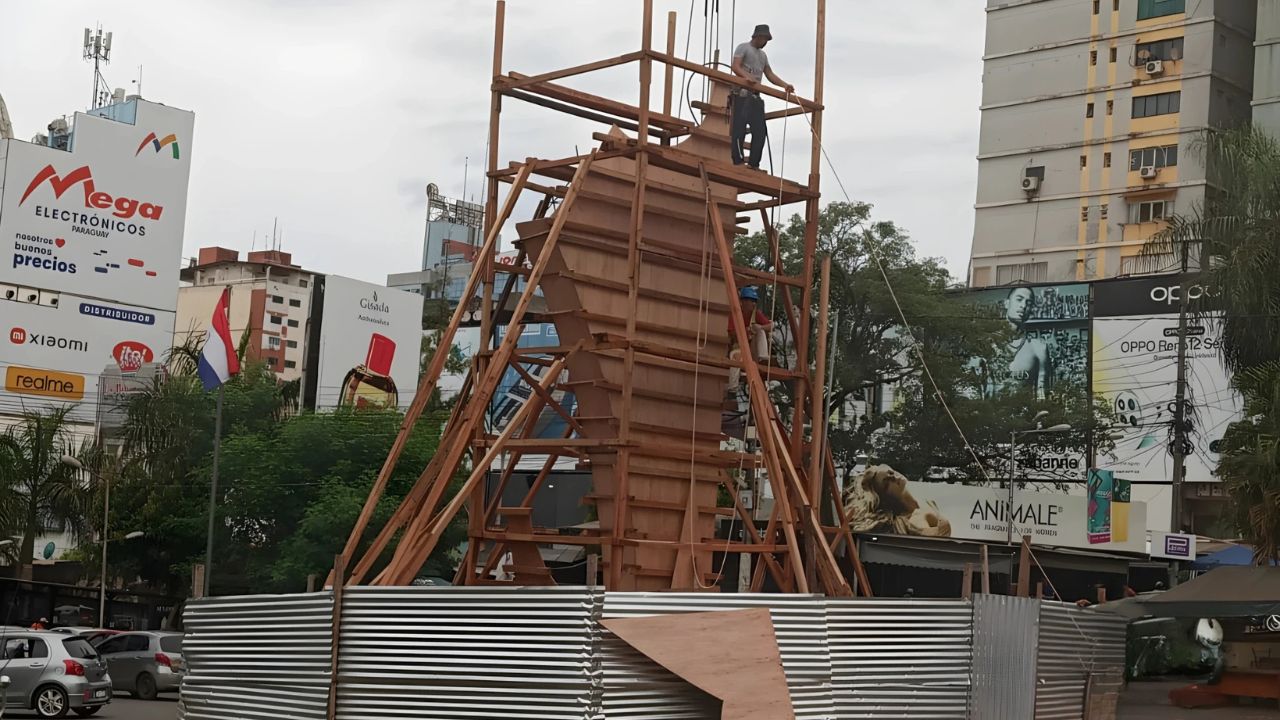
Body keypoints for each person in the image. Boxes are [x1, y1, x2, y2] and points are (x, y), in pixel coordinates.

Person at [729, 24, 794, 169]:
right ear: (757, 37)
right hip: (742, 94)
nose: (765, 42)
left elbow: (769, 74)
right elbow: (735, 66)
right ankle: (738, 161)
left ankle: (753, 164)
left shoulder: (763, 56)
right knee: (739, 129)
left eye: (766, 40)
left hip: (755, 97)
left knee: (760, 132)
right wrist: (747, 77)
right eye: (764, 39)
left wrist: (784, 85)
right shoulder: (743, 47)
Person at [979, 287, 1052, 399]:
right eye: (1019, 299)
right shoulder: (985, 344)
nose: (1023, 306)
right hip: (989, 414)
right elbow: (972, 391)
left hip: (1024, 414)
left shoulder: (1039, 348)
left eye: (1029, 303)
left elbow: (1042, 395)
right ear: (1007, 303)